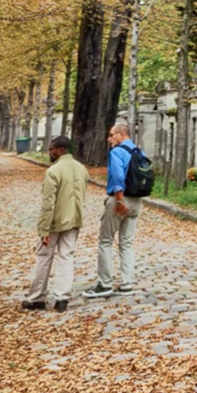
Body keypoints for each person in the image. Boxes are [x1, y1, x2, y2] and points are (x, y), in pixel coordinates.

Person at [22, 136, 87, 312]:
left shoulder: (53, 172)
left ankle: (37, 297)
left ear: (61, 150)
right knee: (67, 257)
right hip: (74, 219)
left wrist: (44, 229)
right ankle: (62, 298)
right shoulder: (82, 169)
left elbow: (48, 204)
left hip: (54, 222)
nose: (49, 152)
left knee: (44, 258)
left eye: (51, 149)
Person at [83, 124, 142, 298]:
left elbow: (117, 177)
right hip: (137, 201)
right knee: (127, 243)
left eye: (111, 135)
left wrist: (119, 200)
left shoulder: (117, 152)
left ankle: (104, 284)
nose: (109, 139)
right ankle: (127, 283)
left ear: (122, 134)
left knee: (105, 241)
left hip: (120, 200)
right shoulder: (139, 152)